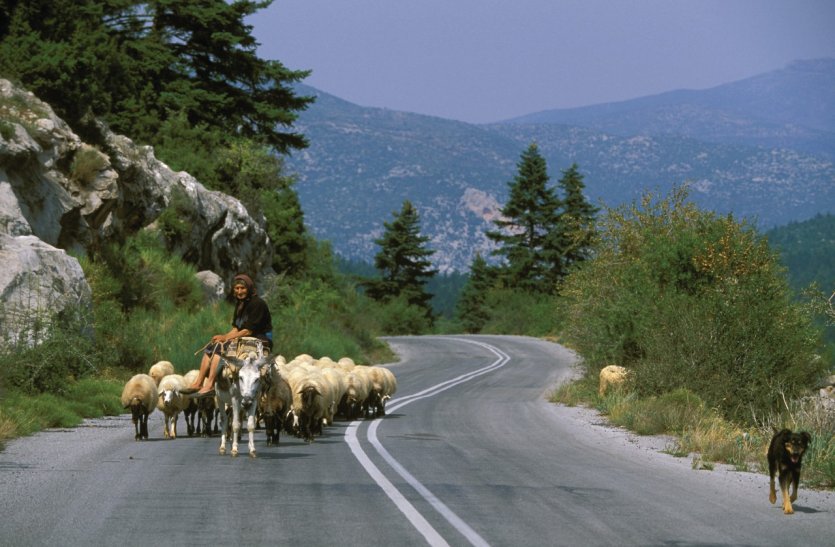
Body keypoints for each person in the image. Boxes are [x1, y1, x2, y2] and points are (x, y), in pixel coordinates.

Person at [189, 273, 273, 395]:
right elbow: (236, 328)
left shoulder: (257, 304)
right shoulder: (240, 304)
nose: (239, 291)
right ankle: (198, 383)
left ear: (249, 288)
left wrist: (225, 338)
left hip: (260, 337)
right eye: (237, 288)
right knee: (211, 347)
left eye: (242, 288)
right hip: (245, 336)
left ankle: (210, 384)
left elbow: (247, 330)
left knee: (220, 349)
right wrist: (222, 337)